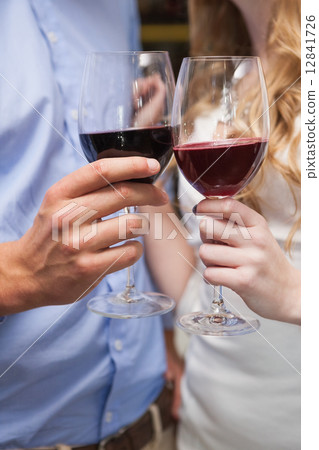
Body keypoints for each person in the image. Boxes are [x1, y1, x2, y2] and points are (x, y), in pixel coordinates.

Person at [0, 1, 177, 448]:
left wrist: (169, 334)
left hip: (154, 422)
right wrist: (15, 279)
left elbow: (134, 177)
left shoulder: (116, 7)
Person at [144, 0, 301, 448]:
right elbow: (195, 281)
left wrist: (295, 295)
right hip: (207, 419)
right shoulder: (223, 75)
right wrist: (143, 177)